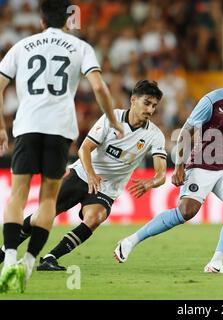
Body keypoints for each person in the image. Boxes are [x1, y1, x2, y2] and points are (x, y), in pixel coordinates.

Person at [0, 0, 124, 293]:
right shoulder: (80, 47)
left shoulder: (22, 46)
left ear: (41, 20)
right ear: (69, 20)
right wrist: (113, 121)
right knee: (48, 200)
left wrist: (1, 127)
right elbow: (98, 87)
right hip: (59, 129)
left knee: (18, 195)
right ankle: (29, 263)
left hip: (27, 126)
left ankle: (8, 259)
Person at [114, 56, 223, 273]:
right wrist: (180, 165)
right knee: (186, 213)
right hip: (202, 164)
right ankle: (131, 240)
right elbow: (186, 132)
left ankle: (216, 262)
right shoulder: (212, 100)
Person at [0, 80, 166, 272]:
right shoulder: (111, 119)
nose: (150, 109)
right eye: (147, 103)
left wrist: (150, 183)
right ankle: (5, 250)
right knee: (43, 215)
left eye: (154, 105)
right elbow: (85, 148)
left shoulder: (155, 135)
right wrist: (91, 174)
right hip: (82, 174)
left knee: (95, 218)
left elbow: (161, 174)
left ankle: (50, 258)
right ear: (133, 100)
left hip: (107, 187)